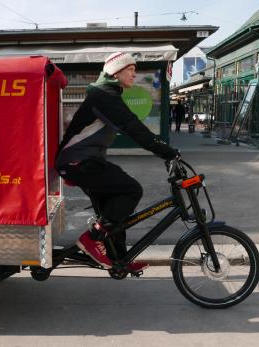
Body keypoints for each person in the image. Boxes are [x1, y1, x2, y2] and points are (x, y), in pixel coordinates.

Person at [55, 52, 179, 272]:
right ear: (116, 72)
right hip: (78, 161)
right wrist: (167, 152)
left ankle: (119, 259)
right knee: (131, 190)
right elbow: (132, 127)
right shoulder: (102, 95)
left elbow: (130, 125)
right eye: (130, 69)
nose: (134, 74)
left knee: (116, 210)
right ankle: (93, 238)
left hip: (84, 161)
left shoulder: (108, 94)